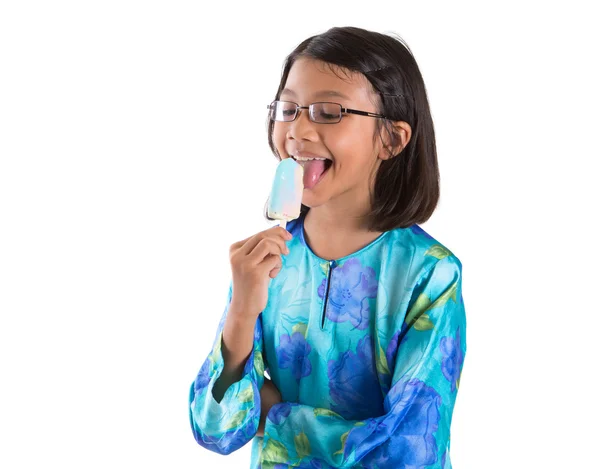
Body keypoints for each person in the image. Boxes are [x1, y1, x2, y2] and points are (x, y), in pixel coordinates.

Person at [188, 26, 467, 469]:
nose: (297, 129)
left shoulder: (429, 275)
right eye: (289, 108)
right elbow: (216, 428)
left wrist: (273, 417)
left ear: (391, 139)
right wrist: (242, 311)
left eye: (327, 112)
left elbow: (410, 451)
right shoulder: (267, 262)